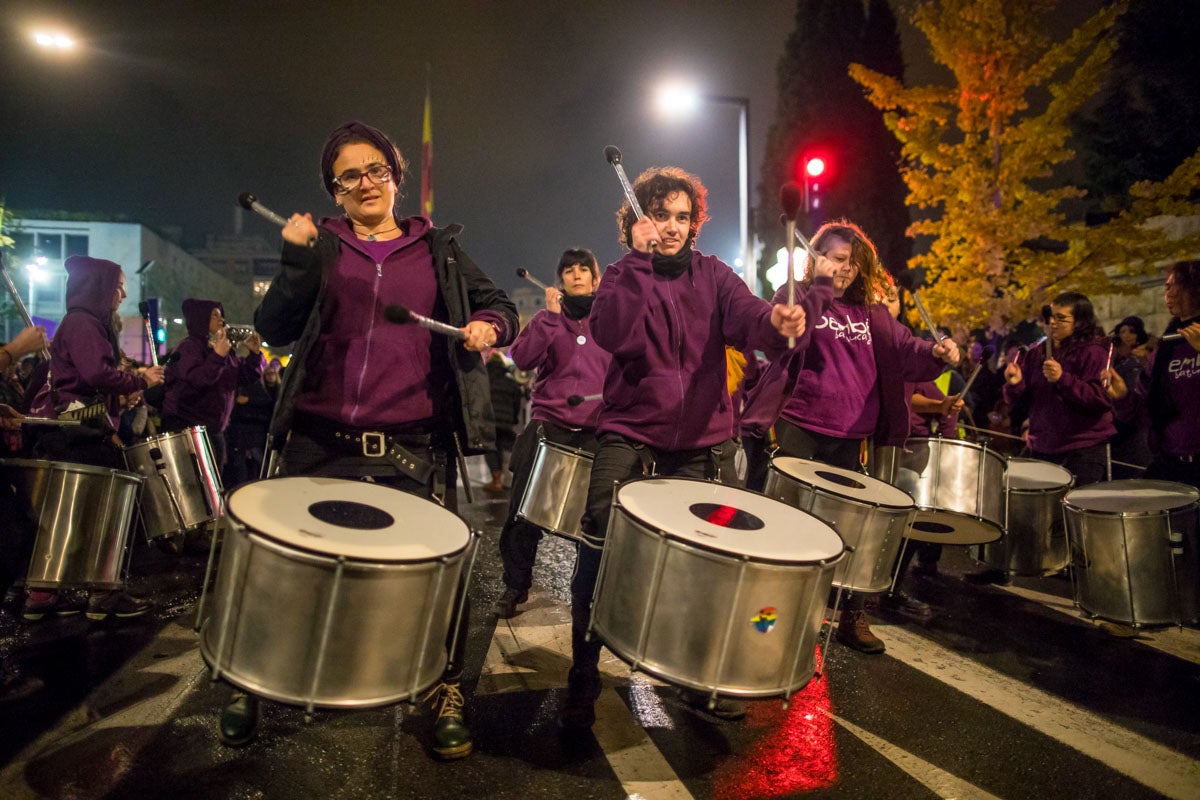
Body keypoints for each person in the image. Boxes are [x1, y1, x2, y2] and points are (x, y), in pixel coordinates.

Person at [245, 120, 518, 759]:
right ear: (334, 191)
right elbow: (275, 329)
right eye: (350, 176)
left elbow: (499, 303)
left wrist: (487, 324)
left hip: (412, 443)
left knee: (437, 572)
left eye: (376, 170)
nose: (366, 183)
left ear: (396, 176)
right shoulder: (324, 245)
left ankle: (443, 686)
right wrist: (294, 262)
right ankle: (250, 677)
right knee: (289, 568)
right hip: (318, 437)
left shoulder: (438, 249)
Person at [563, 166, 806, 730]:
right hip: (629, 438)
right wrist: (640, 267)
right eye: (659, 216)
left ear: (695, 223)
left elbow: (749, 320)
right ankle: (584, 670)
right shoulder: (622, 274)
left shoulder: (714, 274)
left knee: (713, 564)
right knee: (598, 546)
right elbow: (612, 333)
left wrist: (776, 320)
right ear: (637, 222)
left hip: (705, 445)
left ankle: (701, 675)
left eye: (682, 217)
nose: (672, 227)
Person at [740, 221, 959, 655]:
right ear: (817, 257)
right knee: (783, 526)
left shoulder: (874, 315)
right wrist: (818, 284)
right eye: (838, 259)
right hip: (798, 427)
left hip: (851, 437)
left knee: (853, 532)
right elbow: (789, 334)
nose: (846, 270)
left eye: (854, 264)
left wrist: (936, 353)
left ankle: (853, 615)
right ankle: (769, 614)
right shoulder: (797, 295)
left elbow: (906, 352)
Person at [24, 256, 164, 621]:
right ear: (100, 286)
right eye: (118, 284)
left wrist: (123, 393)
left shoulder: (80, 321)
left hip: (71, 434)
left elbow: (88, 379)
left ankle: (42, 595)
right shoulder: (85, 323)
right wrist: (139, 380)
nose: (123, 293)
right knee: (107, 510)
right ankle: (103, 594)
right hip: (79, 435)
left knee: (66, 514)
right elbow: (96, 373)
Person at [492, 248, 609, 619]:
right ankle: (515, 586)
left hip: (594, 431)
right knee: (521, 514)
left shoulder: (609, 320)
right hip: (548, 426)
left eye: (583, 270)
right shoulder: (548, 318)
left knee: (592, 520)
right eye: (569, 271)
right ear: (560, 281)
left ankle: (587, 596)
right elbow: (523, 359)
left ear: (595, 278)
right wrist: (550, 320)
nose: (576, 276)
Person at [1002, 291, 1114, 487]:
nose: (1053, 322)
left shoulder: (1094, 352)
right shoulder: (1038, 352)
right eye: (1051, 316)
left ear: (1079, 322)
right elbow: (1019, 399)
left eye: (1061, 318)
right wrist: (1015, 383)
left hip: (1082, 449)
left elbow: (1100, 399)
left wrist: (1063, 379)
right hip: (1042, 446)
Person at [1106, 261, 1200, 490]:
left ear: (1193, 287)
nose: (1166, 293)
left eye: (1170, 286)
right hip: (1172, 463)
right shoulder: (1167, 345)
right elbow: (1146, 406)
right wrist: (1123, 397)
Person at [160, 299, 264, 474]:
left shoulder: (223, 349)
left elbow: (242, 378)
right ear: (201, 319)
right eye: (214, 315)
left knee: (214, 487)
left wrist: (254, 356)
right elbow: (198, 379)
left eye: (221, 315)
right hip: (188, 431)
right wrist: (217, 356)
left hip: (213, 432)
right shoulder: (189, 347)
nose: (221, 320)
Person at [482, 351, 524, 493]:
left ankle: (496, 481)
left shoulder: (484, 378)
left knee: (491, 449)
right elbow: (517, 401)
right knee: (506, 448)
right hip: (506, 421)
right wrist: (513, 418)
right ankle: (509, 479)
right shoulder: (511, 380)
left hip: (488, 420)